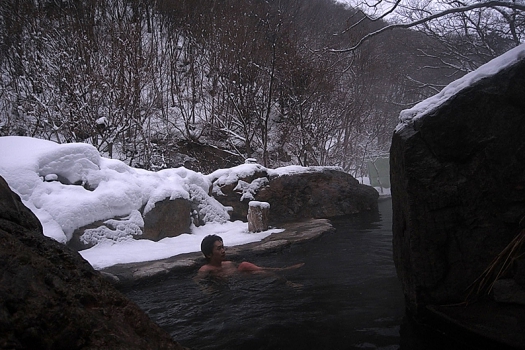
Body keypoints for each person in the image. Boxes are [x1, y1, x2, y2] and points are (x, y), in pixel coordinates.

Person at [197, 234, 303, 278]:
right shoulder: (205, 270)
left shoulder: (228, 264)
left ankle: (282, 271)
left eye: (223, 247)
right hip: (230, 285)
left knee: (244, 265)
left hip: (239, 279)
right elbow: (200, 284)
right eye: (219, 249)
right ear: (209, 254)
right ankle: (283, 272)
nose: (223, 251)